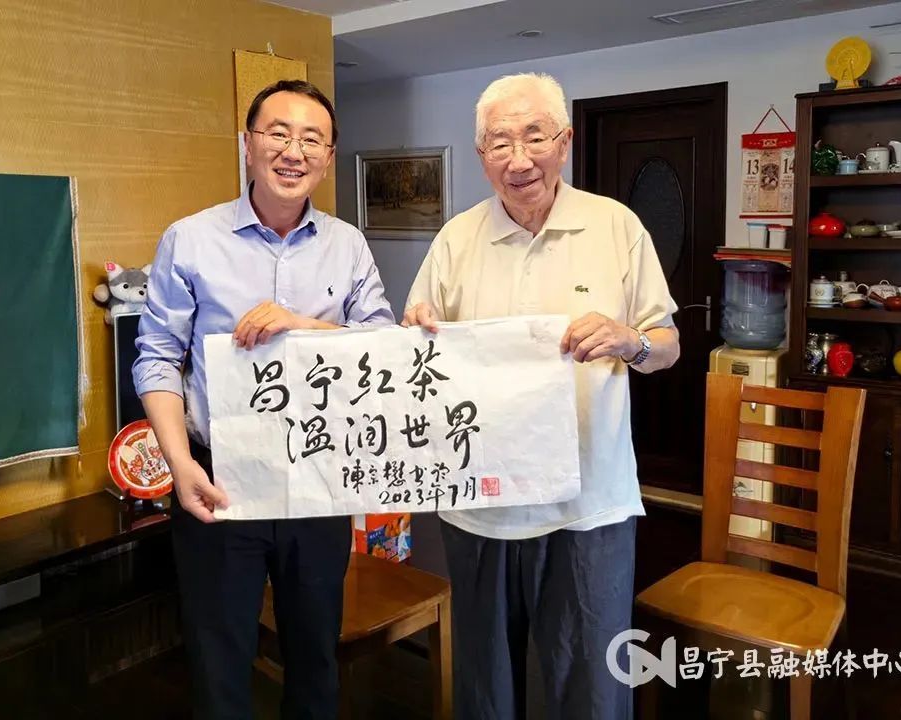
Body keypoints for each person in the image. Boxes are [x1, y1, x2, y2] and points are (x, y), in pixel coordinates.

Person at [403, 72, 680, 720]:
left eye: (534, 137)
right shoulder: (456, 239)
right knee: (485, 684)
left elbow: (667, 345)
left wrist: (631, 341)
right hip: (481, 503)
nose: (519, 159)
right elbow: (419, 348)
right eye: (500, 143)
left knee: (591, 682)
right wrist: (416, 331)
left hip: (589, 503)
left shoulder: (616, 227)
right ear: (482, 155)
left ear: (565, 141)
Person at [133, 79, 395, 720]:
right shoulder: (191, 239)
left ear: (328, 157)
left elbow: (382, 345)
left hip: (318, 474)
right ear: (247, 145)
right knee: (219, 658)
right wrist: (179, 465)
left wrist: (301, 325)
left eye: (311, 139)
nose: (293, 151)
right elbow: (157, 357)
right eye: (278, 133)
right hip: (218, 477)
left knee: (315, 654)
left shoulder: (347, 244)